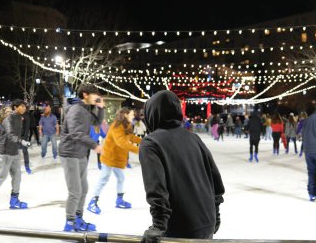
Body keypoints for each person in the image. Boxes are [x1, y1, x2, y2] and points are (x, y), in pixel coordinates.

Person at [139, 91, 225, 242]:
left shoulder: (151, 143)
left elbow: (156, 188)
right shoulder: (194, 138)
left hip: (180, 228)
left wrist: (159, 226)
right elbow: (215, 181)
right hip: (207, 222)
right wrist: (215, 215)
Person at [59, 84, 103, 232]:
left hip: (80, 153)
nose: (96, 97)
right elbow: (75, 133)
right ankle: (69, 223)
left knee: (83, 188)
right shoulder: (76, 109)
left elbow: (96, 123)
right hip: (70, 153)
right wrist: (94, 145)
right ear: (85, 94)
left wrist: (100, 108)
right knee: (75, 191)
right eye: (94, 94)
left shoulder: (85, 109)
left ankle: (78, 218)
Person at [87, 107, 141, 215]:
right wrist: (140, 150)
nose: (133, 116)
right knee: (104, 178)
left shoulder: (127, 125)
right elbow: (121, 142)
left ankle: (119, 200)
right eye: (131, 114)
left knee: (121, 178)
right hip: (109, 156)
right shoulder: (117, 126)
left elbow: (129, 137)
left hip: (117, 158)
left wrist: (144, 142)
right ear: (125, 115)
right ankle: (92, 202)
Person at [21, 107, 31, 174]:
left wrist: (25, 138)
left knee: (25, 151)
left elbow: (27, 128)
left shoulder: (26, 116)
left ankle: (27, 166)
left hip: (23, 136)